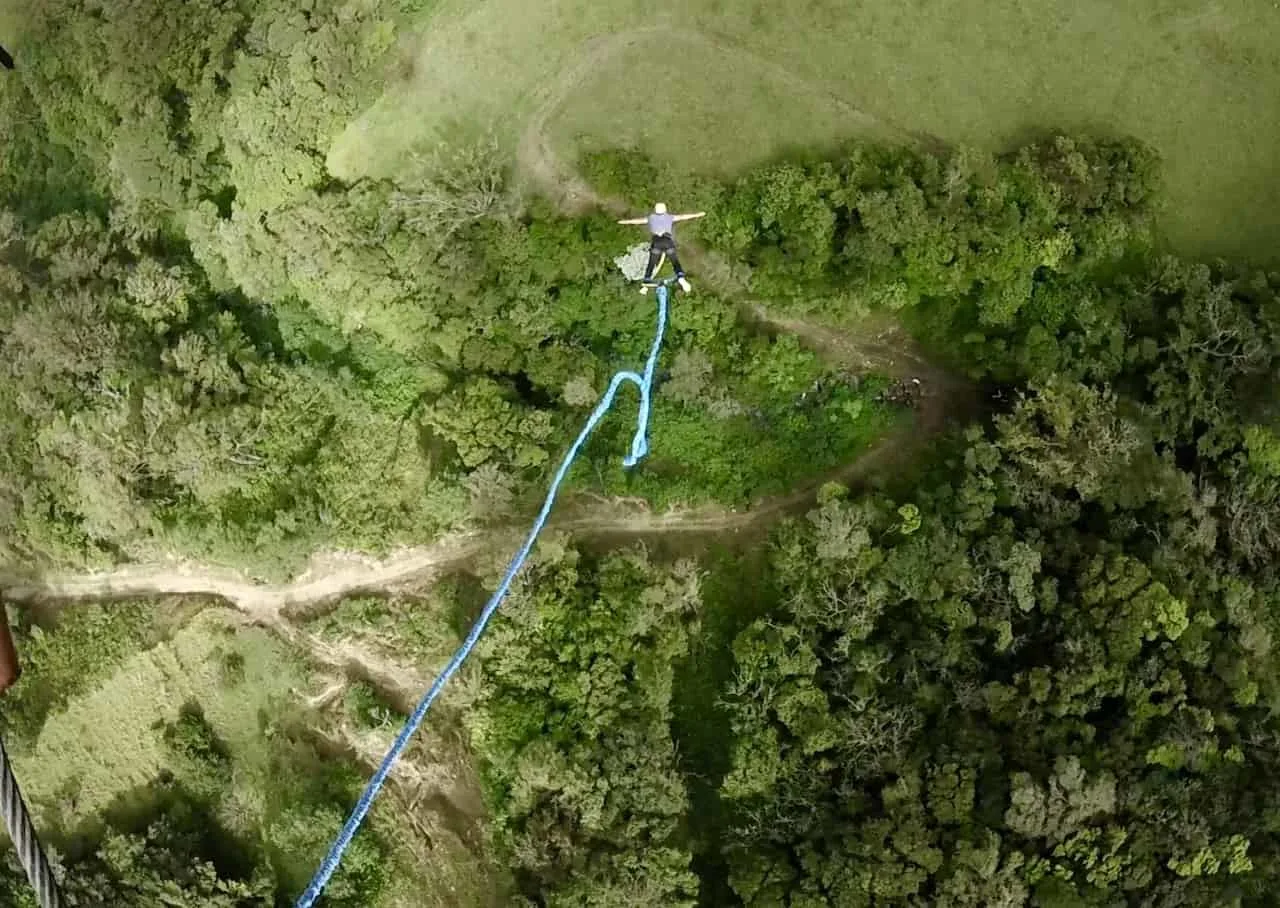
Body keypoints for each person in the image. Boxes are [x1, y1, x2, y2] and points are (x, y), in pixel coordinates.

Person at [617, 202, 705, 293]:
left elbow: (636, 221)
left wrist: (623, 222)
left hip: (656, 243)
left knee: (651, 264)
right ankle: (680, 277)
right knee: (675, 261)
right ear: (665, 210)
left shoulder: (650, 218)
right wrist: (698, 214)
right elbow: (684, 216)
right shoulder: (669, 217)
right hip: (667, 241)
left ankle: (646, 284)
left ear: (655, 210)